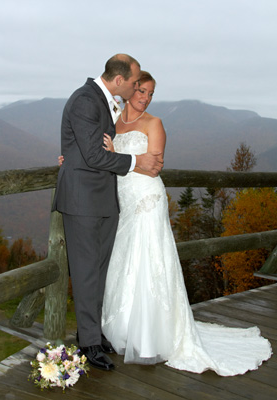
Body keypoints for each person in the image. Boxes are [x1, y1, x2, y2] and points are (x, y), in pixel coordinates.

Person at [100, 71, 272, 376]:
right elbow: (98, 154)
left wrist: (119, 156)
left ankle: (153, 334)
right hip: (123, 200)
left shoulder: (155, 124)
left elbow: (153, 168)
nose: (146, 98)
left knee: (149, 260)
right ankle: (124, 329)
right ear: (128, 90)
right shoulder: (113, 123)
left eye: (151, 93)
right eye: (141, 91)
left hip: (147, 199)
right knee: (125, 259)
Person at [52, 55, 163, 372]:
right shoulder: (86, 100)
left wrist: (71, 155)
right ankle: (87, 344)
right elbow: (93, 155)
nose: (136, 86)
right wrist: (136, 163)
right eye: (134, 82)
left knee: (98, 273)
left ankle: (93, 334)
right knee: (87, 274)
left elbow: (86, 147)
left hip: (103, 200)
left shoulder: (104, 99)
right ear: (119, 80)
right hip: (83, 202)